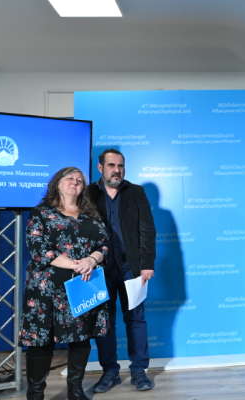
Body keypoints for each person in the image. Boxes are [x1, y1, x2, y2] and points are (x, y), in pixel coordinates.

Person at [20, 167, 109, 400]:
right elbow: (38, 249)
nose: (75, 182)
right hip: (46, 288)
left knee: (81, 337)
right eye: (69, 178)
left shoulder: (91, 215)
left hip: (82, 284)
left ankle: (75, 391)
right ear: (57, 184)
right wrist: (75, 265)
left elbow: (104, 245)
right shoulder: (41, 212)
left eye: (79, 180)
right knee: (41, 340)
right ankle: (35, 394)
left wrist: (91, 260)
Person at [85, 149, 157, 393]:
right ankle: (110, 372)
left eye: (121, 166)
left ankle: (139, 371)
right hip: (99, 269)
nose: (117, 170)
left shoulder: (136, 192)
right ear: (100, 168)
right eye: (111, 165)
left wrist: (147, 264)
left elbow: (147, 228)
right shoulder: (88, 194)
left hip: (131, 268)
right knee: (104, 323)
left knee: (136, 319)